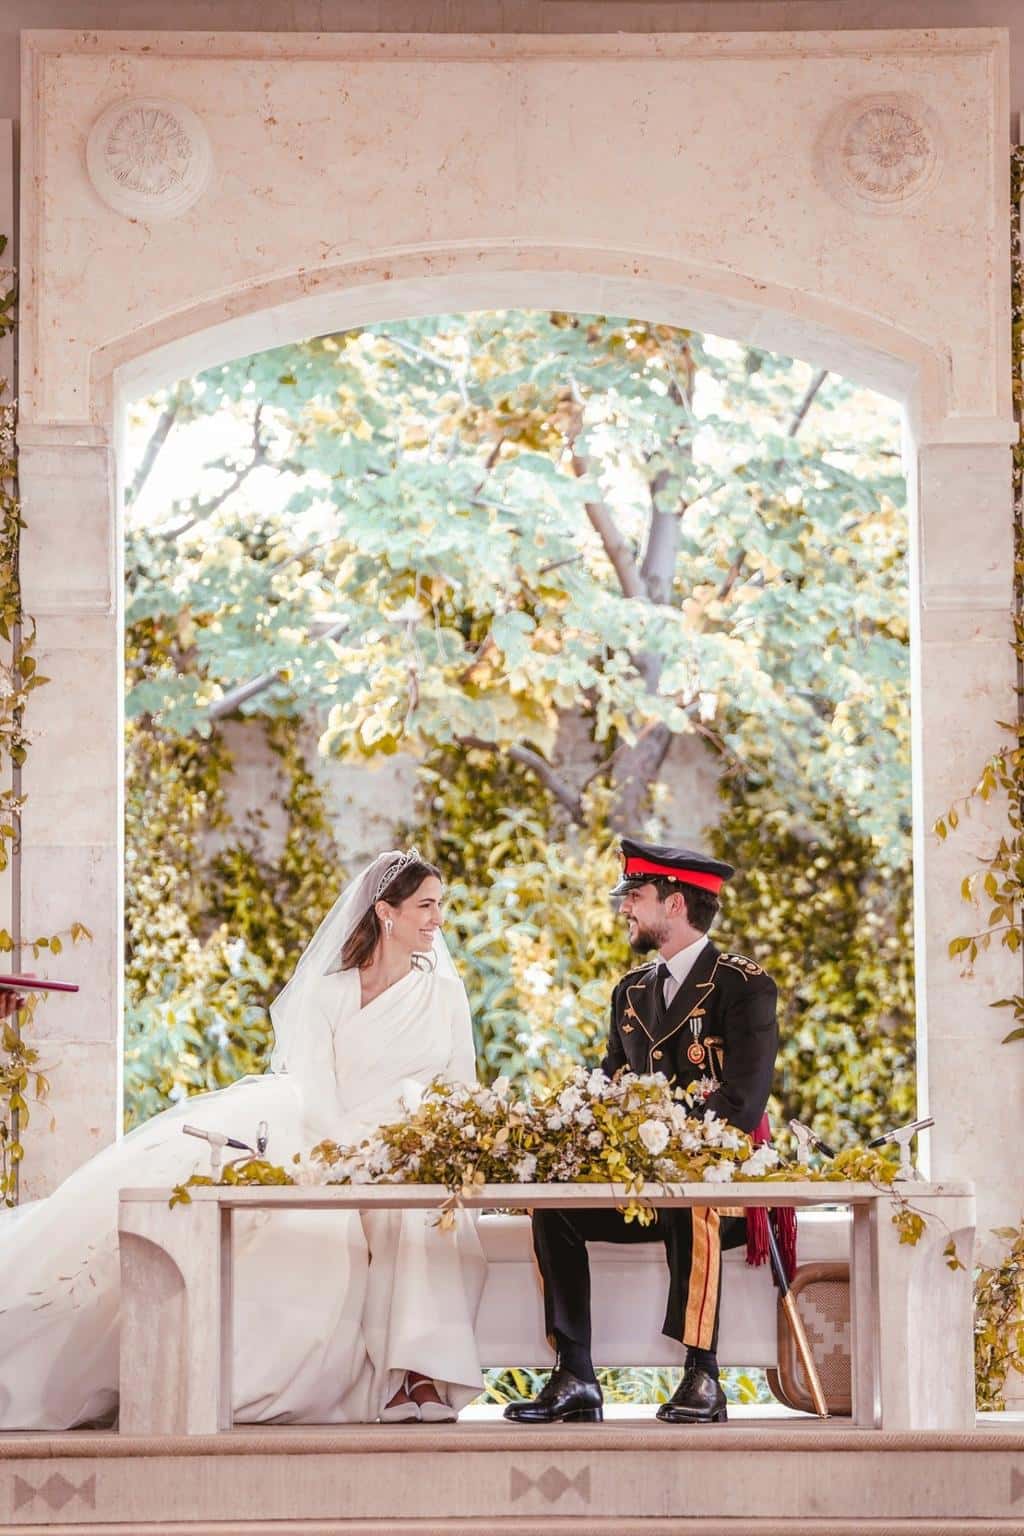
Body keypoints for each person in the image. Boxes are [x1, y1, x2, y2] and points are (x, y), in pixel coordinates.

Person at [0, 850, 486, 1428]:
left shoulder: (445, 996)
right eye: (427, 905)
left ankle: (416, 1374)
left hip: (411, 1150)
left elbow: (460, 1088)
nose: (438, 919)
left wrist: (417, 1142)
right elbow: (317, 1093)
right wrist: (357, 1154)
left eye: (440, 906)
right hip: (328, 1142)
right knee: (313, 1216)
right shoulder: (328, 995)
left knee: (416, 1210)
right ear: (386, 912)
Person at [504, 838, 779, 1428]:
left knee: (692, 1198)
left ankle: (703, 1374)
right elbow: (610, 1081)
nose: (625, 907)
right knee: (555, 1207)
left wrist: (672, 1156)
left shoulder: (743, 985)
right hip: (645, 1184)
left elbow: (743, 1099)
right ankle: (574, 1374)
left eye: (636, 895)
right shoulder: (629, 991)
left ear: (675, 904)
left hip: (720, 1186)